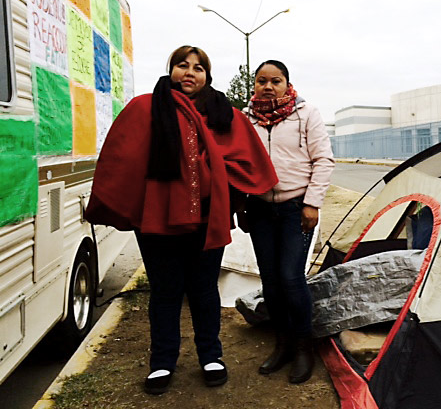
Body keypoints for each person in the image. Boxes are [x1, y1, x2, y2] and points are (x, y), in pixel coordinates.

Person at [85, 46, 277, 395]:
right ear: (170, 69)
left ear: (208, 75)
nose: (190, 72)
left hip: (206, 218)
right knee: (165, 292)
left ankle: (211, 356)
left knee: (204, 290)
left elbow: (246, 159)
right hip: (156, 220)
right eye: (182, 65)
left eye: (199, 67)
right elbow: (121, 159)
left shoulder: (223, 113)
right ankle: (162, 362)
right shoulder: (145, 107)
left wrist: (213, 171)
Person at [243, 60, 335, 384]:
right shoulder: (245, 119)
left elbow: (324, 159)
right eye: (262, 81)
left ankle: (303, 347)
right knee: (270, 280)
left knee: (290, 277)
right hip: (260, 211)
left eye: (276, 81)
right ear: (254, 84)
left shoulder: (306, 114)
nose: (268, 87)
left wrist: (312, 203)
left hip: (297, 208)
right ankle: (281, 345)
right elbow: (236, 163)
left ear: (287, 84)